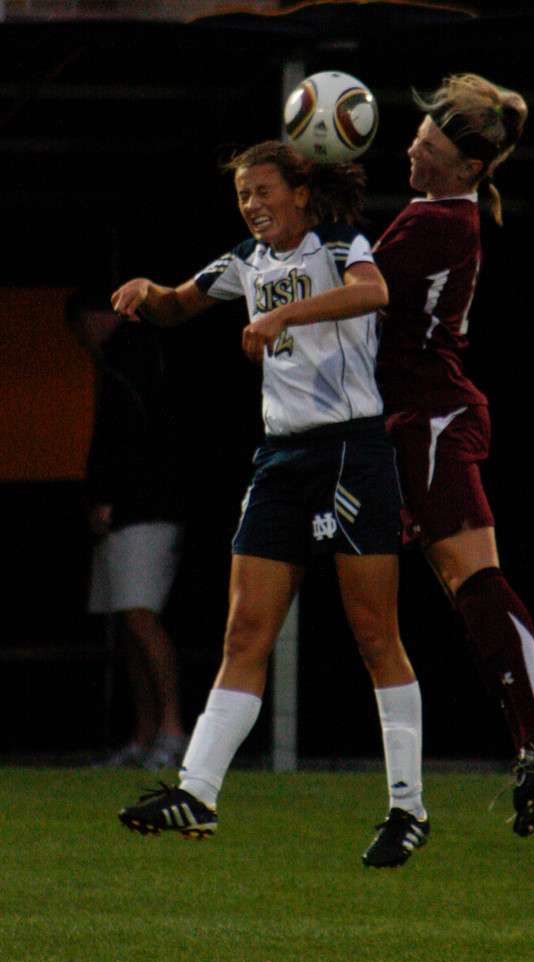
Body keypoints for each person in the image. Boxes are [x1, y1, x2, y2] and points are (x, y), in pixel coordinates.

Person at [114, 141, 429, 868]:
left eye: (262, 191)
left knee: (373, 634)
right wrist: (148, 292)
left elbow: (374, 292)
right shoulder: (244, 263)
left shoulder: (339, 244)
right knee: (243, 632)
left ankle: (407, 807)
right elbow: (179, 303)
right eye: (242, 196)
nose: (251, 205)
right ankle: (197, 789)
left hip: (351, 449)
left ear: (298, 192)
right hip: (282, 458)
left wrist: (287, 319)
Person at [371, 73, 534, 838]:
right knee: (466, 586)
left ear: (466, 167)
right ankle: (532, 729)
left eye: (426, 144)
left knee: (471, 579)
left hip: (427, 417)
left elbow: (360, 293)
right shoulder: (436, 213)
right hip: (424, 416)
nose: (411, 149)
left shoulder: (436, 222)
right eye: (417, 136)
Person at [68, 291, 189, 770]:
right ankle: (143, 737)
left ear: (93, 320)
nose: (82, 343)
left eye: (81, 330)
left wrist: (108, 496)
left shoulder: (133, 355)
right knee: (126, 621)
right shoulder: (127, 358)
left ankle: (174, 732)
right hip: (127, 512)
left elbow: (127, 433)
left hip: (144, 509)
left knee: (139, 616)